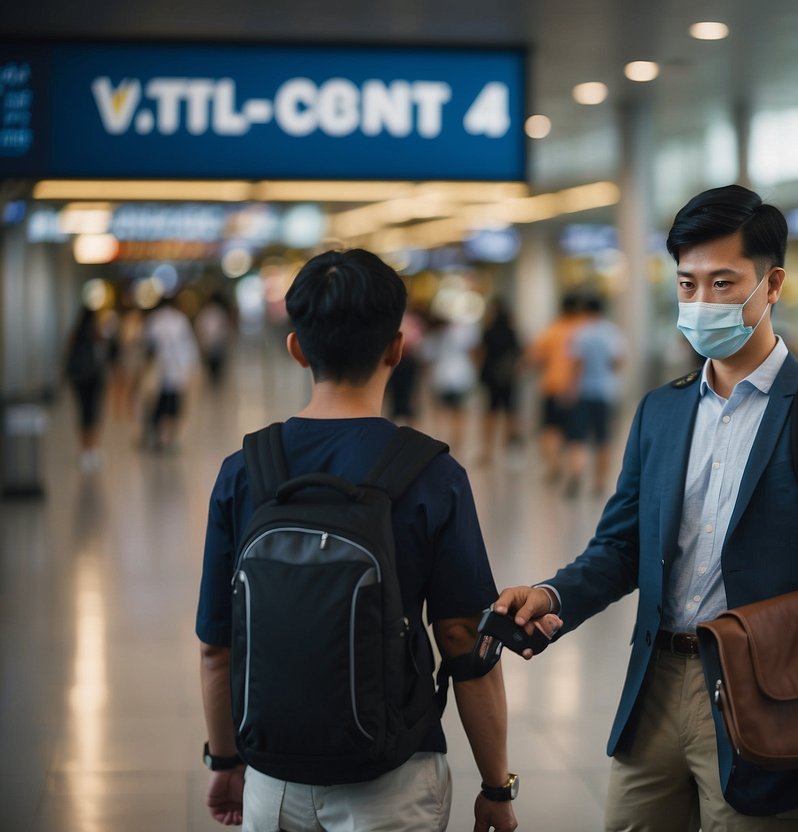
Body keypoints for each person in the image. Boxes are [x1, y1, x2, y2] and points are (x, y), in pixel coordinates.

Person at [494, 185, 798, 831]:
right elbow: (621, 546)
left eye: (722, 283)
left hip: (764, 692)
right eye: (687, 285)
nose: (700, 302)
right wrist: (552, 596)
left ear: (771, 285)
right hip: (655, 687)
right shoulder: (661, 410)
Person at [195, 249, 519, 832]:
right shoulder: (432, 473)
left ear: (296, 348)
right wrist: (497, 784)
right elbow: (461, 637)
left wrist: (224, 760)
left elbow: (217, 647)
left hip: (273, 778)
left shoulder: (244, 471)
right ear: (397, 347)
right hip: (395, 774)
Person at [563, 295, 624, 498]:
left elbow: (576, 365)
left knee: (577, 437)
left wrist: (571, 389)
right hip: (606, 392)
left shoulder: (580, 333)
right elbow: (617, 363)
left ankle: (577, 470)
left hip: (583, 392)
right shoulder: (612, 332)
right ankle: (599, 482)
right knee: (603, 438)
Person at [524, 294, 585, 483]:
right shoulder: (585, 330)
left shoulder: (551, 330)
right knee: (576, 433)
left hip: (552, 386)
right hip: (579, 390)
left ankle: (554, 466)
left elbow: (534, 358)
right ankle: (575, 468)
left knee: (550, 429)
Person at [142, 295, 200, 450]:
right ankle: (167, 437)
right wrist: (191, 367)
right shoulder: (180, 320)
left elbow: (148, 346)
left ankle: (159, 435)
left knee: (158, 404)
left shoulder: (154, 319)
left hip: (158, 371)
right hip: (176, 371)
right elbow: (189, 346)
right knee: (172, 404)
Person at [421, 312, 480, 455]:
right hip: (460, 378)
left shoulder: (435, 338)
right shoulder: (462, 336)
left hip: (441, 378)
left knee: (440, 412)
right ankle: (457, 444)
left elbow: (427, 360)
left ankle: (440, 440)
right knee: (458, 413)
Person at [477, 298, 524, 465]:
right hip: (508, 378)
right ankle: (509, 450)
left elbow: (481, 354)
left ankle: (487, 451)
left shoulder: (488, 332)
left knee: (490, 413)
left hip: (491, 377)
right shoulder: (512, 332)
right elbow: (519, 355)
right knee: (510, 413)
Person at [63, 305, 107, 471]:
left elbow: (68, 357)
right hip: (94, 378)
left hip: (79, 379)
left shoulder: (75, 335)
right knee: (93, 412)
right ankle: (93, 448)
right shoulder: (96, 335)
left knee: (83, 412)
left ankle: (84, 450)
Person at [195, 292, 236, 387]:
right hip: (217, 343)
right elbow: (225, 328)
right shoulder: (220, 312)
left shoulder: (205, 312)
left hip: (211, 343)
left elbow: (200, 328)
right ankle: (215, 381)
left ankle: (214, 381)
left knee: (212, 364)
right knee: (216, 364)